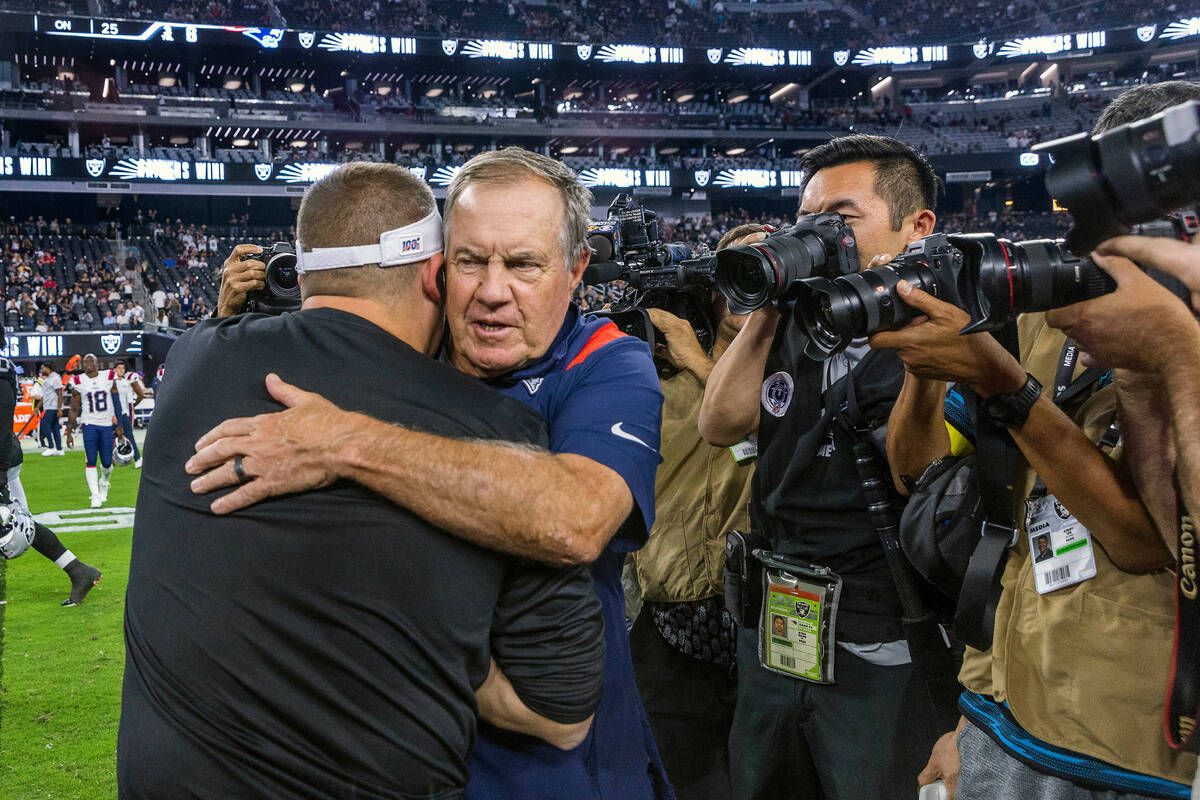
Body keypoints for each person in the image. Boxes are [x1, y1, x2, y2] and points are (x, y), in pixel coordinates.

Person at [187, 147, 669, 800]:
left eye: (523, 264)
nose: (492, 292)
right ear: (437, 265)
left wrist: (346, 442)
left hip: (553, 763)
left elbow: (575, 519)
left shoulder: (610, 364)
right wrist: (233, 331)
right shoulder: (402, 346)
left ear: (576, 267)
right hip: (393, 753)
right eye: (471, 261)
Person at [873, 81, 1200, 800]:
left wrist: (1014, 390)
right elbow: (926, 477)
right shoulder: (1055, 318)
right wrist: (930, 355)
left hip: (1141, 756)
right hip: (1015, 717)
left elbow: (1156, 542)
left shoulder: (1183, 337)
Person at [698, 134, 944, 800]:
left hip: (878, 639)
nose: (821, 235)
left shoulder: (949, 334)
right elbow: (718, 425)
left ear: (915, 226)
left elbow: (919, 478)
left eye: (843, 217)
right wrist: (767, 307)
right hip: (776, 625)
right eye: (808, 221)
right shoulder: (796, 324)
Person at [626, 224, 765, 800]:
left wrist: (701, 363)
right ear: (713, 285)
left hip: (765, 621)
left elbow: (771, 429)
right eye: (740, 271)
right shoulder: (653, 375)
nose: (751, 286)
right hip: (670, 617)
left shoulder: (795, 377)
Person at [0, 353, 101, 605]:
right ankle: (78, 571)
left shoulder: (1, 367)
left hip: (2, 456)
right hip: (4, 456)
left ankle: (79, 571)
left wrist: (0, 471)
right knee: (20, 520)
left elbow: (2, 420)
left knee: (18, 523)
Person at [65, 354, 116, 509]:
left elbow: (116, 399)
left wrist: (119, 424)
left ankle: (104, 482)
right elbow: (74, 408)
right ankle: (94, 495)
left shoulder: (108, 376)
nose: (87, 365)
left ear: (97, 363)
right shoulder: (78, 381)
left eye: (91, 362)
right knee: (91, 461)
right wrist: (69, 432)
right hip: (89, 424)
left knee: (107, 462)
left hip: (106, 424)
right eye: (85, 363)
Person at [111, 361, 145, 468]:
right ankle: (111, 460)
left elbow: (126, 400)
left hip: (124, 413)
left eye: (123, 368)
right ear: (115, 370)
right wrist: (112, 414)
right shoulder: (110, 382)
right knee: (111, 437)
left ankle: (137, 458)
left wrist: (128, 412)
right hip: (113, 414)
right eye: (119, 368)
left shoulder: (126, 382)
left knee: (129, 436)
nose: (121, 370)